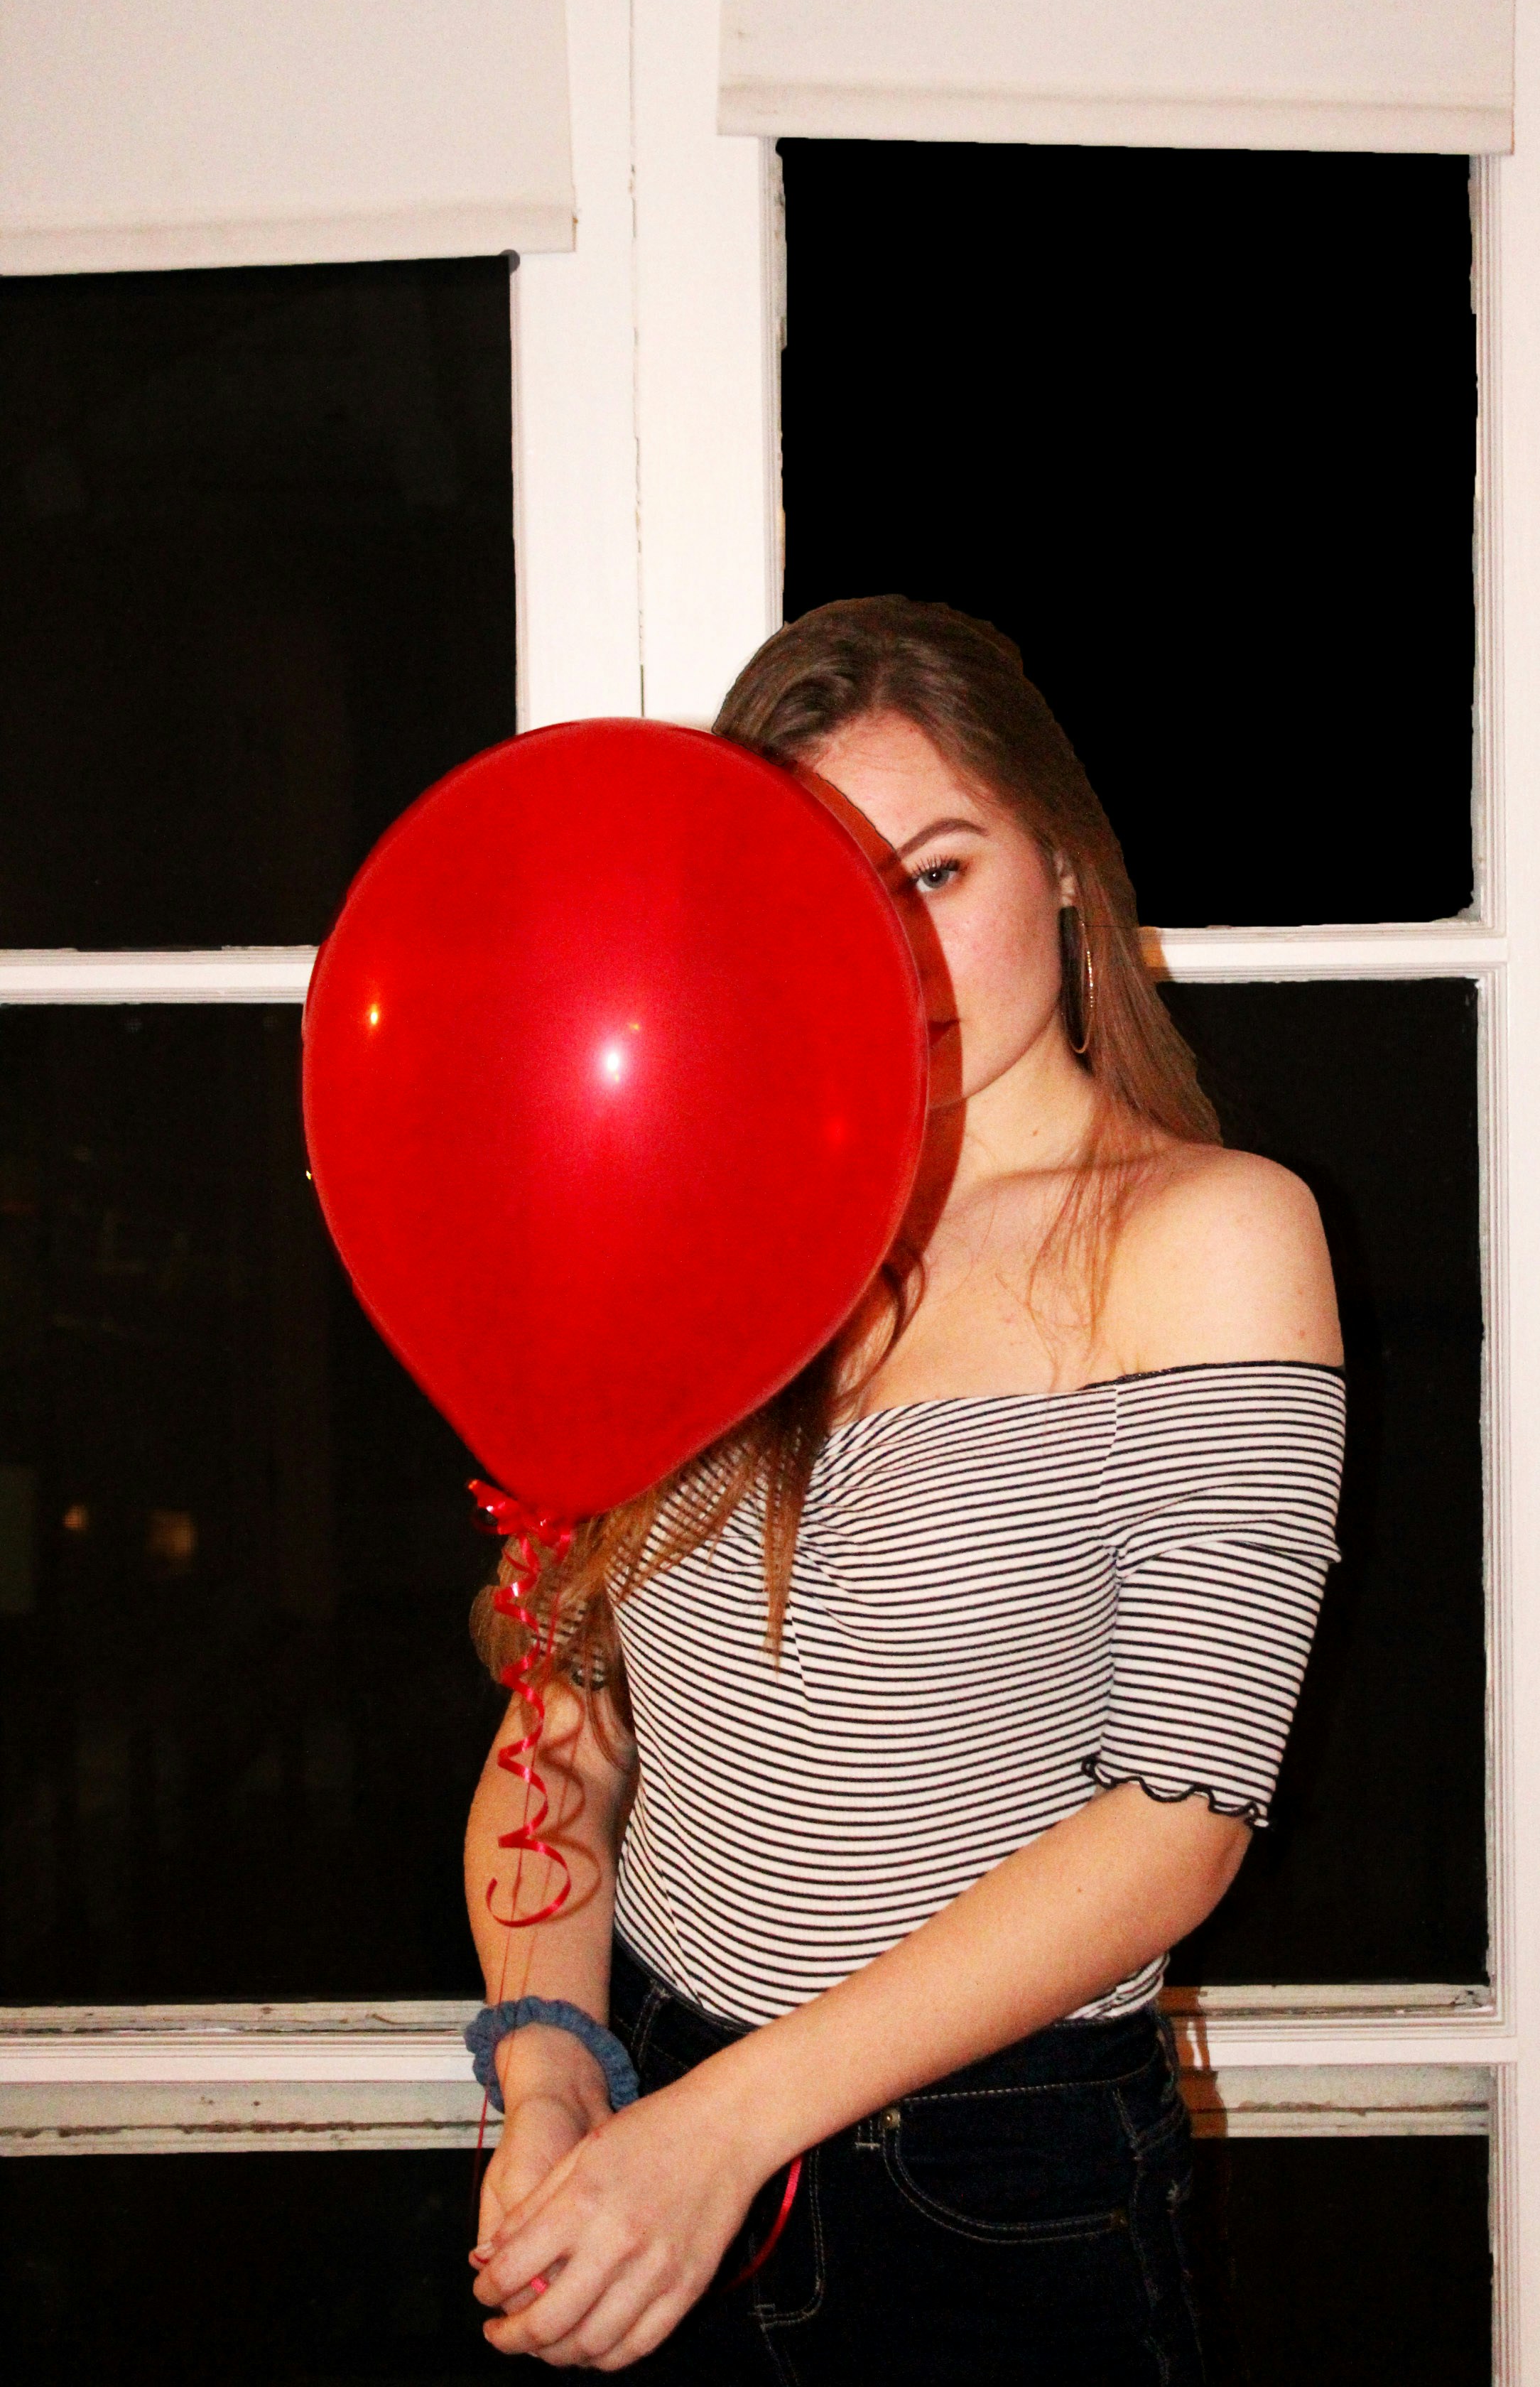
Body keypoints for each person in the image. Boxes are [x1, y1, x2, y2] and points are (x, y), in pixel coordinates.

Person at [465, 597, 1345, 2381]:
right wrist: (554, 2067)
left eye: (937, 872)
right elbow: (564, 1732)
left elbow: (1177, 1818)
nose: (902, 959)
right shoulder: (718, 1248)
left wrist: (725, 2133)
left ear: (1069, 866)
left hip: (985, 2186)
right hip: (649, 2125)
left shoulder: (1209, 1232)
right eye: (838, 899)